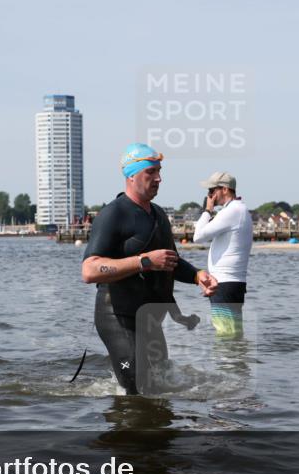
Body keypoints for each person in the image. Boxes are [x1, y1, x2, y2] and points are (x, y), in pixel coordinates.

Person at [81, 144, 217, 395]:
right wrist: (144, 261)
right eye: (151, 172)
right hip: (118, 317)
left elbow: (170, 260)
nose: (159, 178)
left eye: (159, 172)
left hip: (150, 320)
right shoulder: (113, 214)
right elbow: (89, 270)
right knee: (135, 380)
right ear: (131, 175)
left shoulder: (158, 215)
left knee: (160, 380)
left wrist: (197, 275)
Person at [192, 172, 253, 338]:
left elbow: (198, 236)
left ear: (225, 189)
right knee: (233, 334)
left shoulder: (232, 211)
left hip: (224, 283)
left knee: (226, 335)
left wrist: (207, 210)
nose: (210, 195)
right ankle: (235, 363)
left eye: (212, 190)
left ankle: (227, 364)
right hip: (232, 283)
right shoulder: (239, 209)